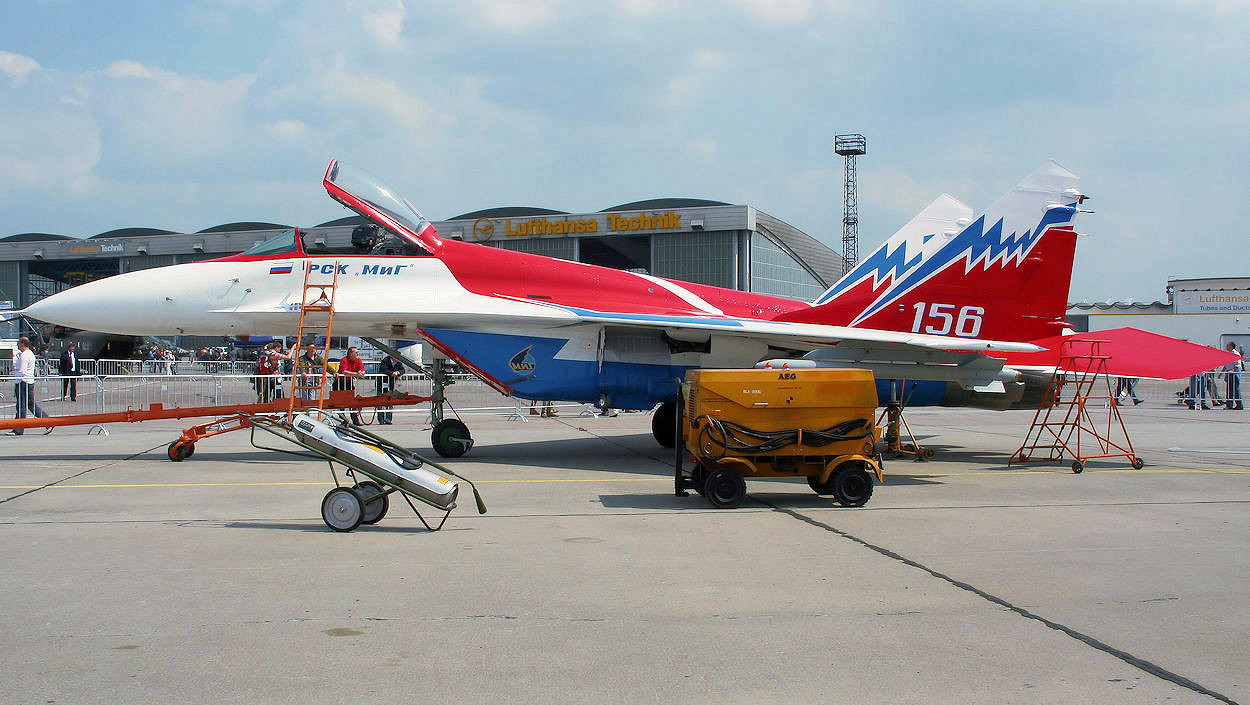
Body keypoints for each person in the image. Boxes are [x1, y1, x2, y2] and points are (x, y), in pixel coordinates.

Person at [9, 337, 52, 435]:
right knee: (30, 405)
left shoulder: (24, 355)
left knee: (21, 407)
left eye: (19, 343)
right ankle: (48, 422)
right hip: (29, 382)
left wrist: (14, 372)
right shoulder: (30, 354)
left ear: (22, 344)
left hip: (23, 382)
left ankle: (18, 429)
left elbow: (22, 371)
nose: (18, 345)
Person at [336, 346, 367, 424]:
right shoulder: (344, 360)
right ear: (350, 353)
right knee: (341, 402)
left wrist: (360, 373)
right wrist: (356, 374)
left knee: (352, 401)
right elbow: (344, 371)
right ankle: (343, 419)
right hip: (340, 382)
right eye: (356, 352)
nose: (357, 354)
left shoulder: (358, 360)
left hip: (349, 382)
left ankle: (355, 419)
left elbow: (363, 370)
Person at [377, 354, 404, 424]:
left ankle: (388, 419)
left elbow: (402, 370)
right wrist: (392, 373)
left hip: (390, 384)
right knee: (380, 402)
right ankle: (381, 419)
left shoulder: (398, 362)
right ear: (393, 356)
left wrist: (398, 373)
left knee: (390, 401)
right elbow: (384, 369)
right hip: (381, 383)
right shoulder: (385, 360)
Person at [1224, 342, 1244, 411]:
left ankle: (1239, 405)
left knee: (1235, 389)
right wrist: (1222, 373)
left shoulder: (1235, 353)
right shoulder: (1228, 353)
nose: (1226, 346)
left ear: (1231, 346)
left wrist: (1232, 371)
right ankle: (1229, 405)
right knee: (1229, 390)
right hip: (1229, 373)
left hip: (1234, 374)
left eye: (1228, 345)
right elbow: (1226, 364)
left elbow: (1237, 365)